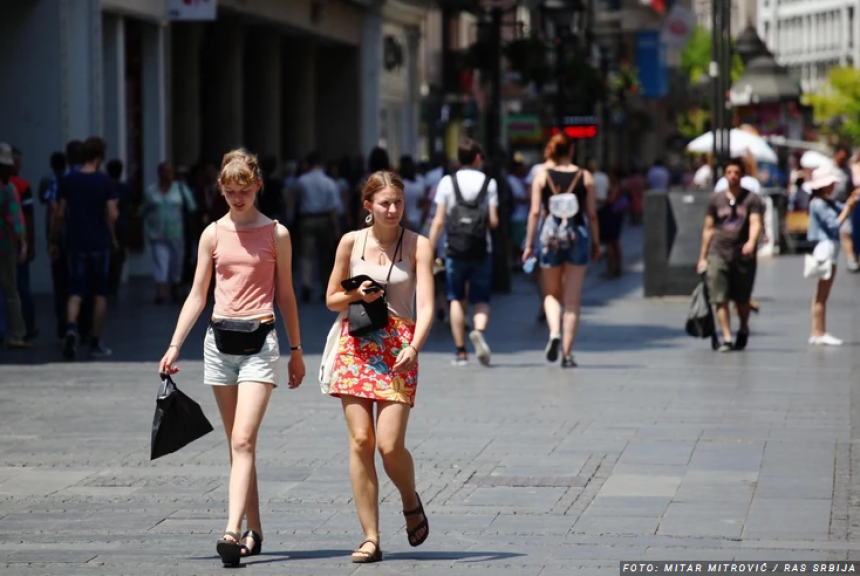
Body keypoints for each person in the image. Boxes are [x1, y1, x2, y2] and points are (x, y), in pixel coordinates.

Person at [158, 149, 305, 567]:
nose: (237, 198)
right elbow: (197, 296)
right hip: (218, 346)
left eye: (244, 190)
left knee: (242, 440)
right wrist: (173, 346)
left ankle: (231, 531)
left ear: (258, 185)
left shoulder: (277, 233)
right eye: (229, 191)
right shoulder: (212, 234)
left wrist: (296, 351)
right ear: (219, 188)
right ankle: (254, 530)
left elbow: (287, 295)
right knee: (239, 446)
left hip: (261, 344)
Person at [325, 170, 433, 564]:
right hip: (355, 343)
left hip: (400, 348)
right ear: (368, 205)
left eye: (398, 203)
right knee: (361, 442)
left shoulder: (419, 244)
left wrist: (415, 346)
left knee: (389, 445)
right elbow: (332, 299)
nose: (393, 210)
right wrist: (357, 292)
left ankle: (410, 500)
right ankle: (370, 537)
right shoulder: (350, 242)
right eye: (385, 203)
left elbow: (427, 305)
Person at [522, 134, 600, 368]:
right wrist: (596, 243)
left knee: (550, 294)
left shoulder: (542, 176)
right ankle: (567, 353)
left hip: (550, 238)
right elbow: (592, 214)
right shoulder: (585, 176)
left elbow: (535, 212)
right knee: (573, 301)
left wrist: (528, 245)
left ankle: (554, 331)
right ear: (572, 149)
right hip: (578, 237)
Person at [429, 138, 499, 366]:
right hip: (481, 248)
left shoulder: (447, 182)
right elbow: (495, 221)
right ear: (478, 158)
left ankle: (460, 352)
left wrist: (430, 248)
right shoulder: (489, 183)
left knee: (456, 299)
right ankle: (478, 330)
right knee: (481, 299)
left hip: (454, 249)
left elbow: (439, 221)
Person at [53, 137, 117, 360]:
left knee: (76, 290)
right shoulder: (106, 182)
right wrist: (113, 236)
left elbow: (60, 213)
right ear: (99, 157)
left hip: (75, 240)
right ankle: (95, 341)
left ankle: (71, 328)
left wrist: (54, 239)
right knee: (100, 293)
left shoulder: (69, 180)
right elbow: (111, 215)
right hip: (99, 242)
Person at [697, 159, 763, 352]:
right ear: (724, 175)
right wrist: (703, 257)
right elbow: (708, 229)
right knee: (720, 297)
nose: (732, 176)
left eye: (736, 172)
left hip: (743, 255)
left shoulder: (751, 199)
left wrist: (751, 242)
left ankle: (743, 327)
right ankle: (726, 337)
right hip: (718, 252)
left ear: (742, 175)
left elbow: (755, 222)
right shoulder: (715, 199)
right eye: (729, 172)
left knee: (742, 300)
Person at [804, 168, 859, 345]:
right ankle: (818, 332)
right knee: (821, 294)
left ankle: (819, 330)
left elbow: (843, 208)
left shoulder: (826, 201)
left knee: (821, 295)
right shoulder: (818, 203)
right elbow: (835, 224)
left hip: (829, 248)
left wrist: (851, 201)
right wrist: (849, 207)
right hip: (825, 248)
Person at [141, 162, 198, 304]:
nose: (167, 175)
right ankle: (161, 291)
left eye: (169, 171)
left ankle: (175, 285)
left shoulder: (181, 189)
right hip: (157, 233)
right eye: (164, 171)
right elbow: (144, 210)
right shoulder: (151, 191)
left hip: (177, 233)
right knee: (161, 262)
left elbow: (192, 207)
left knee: (176, 262)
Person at [0, 142, 30, 349]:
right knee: (11, 291)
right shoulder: (9, 188)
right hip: (5, 246)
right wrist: (23, 242)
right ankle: (16, 333)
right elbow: (15, 219)